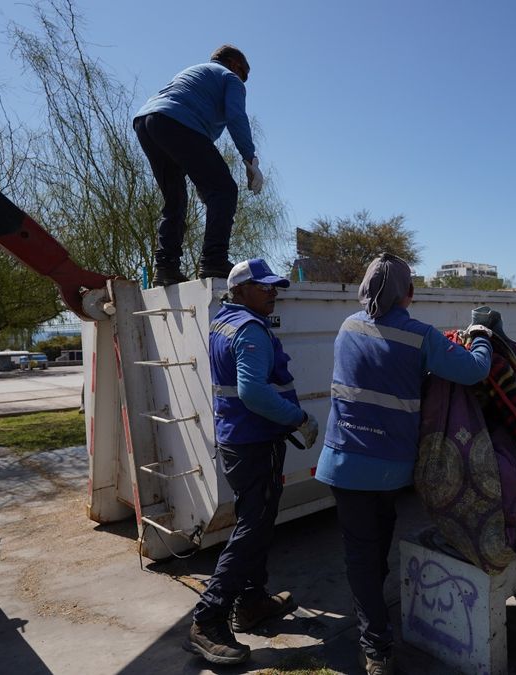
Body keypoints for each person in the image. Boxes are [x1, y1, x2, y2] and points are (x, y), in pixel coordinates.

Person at [317, 253, 494, 674]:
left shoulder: (347, 328)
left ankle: (371, 618)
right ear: (409, 294)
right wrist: (482, 333)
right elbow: (474, 370)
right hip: (390, 470)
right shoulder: (421, 337)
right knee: (372, 550)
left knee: (366, 553)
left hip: (343, 464)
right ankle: (376, 644)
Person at [185, 258, 319, 665]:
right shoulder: (251, 331)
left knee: (255, 523)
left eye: (274, 286)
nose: (273, 292)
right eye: (264, 287)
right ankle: (208, 618)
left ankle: (252, 600)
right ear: (240, 290)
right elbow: (254, 393)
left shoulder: (222, 321)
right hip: (255, 441)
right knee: (251, 528)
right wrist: (299, 418)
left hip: (237, 440)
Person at [134, 45, 265, 287]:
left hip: (147, 121)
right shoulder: (230, 78)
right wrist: (250, 159)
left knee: (175, 200)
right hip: (177, 121)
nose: (244, 80)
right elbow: (236, 116)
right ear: (235, 65)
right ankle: (214, 260)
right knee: (224, 190)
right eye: (245, 74)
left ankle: (166, 267)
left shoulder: (196, 72)